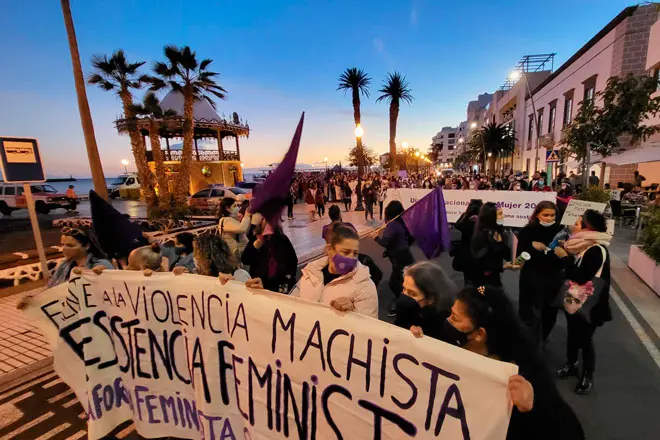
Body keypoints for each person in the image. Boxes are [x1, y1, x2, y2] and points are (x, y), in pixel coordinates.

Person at [427, 285, 585, 440]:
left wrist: (530, 409)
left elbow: (561, 428)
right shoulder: (458, 347)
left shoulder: (526, 375)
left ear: (479, 334)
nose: (447, 322)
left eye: (455, 318)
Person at [554, 210, 612, 395]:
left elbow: (581, 276)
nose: (573, 225)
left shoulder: (596, 249)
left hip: (591, 305)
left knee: (585, 339)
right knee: (573, 333)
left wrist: (564, 258)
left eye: (578, 223)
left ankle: (587, 375)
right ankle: (571, 363)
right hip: (575, 302)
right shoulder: (582, 246)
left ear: (588, 229)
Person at [287, 224, 378, 318]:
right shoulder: (310, 273)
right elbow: (288, 305)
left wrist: (352, 313)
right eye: (346, 252)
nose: (352, 258)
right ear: (329, 250)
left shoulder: (365, 285)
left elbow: (367, 328)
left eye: (355, 253)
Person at [516, 201, 563, 344]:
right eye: (545, 215)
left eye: (552, 215)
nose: (549, 218)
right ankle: (527, 340)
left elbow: (564, 258)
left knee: (549, 313)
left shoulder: (561, 232)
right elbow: (519, 258)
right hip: (531, 277)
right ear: (537, 215)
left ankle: (543, 337)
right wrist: (530, 247)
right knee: (528, 312)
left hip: (553, 279)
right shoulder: (527, 231)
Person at [394, 261, 456, 340]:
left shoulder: (446, 322)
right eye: (404, 289)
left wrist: (425, 335)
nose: (404, 296)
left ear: (431, 299)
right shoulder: (407, 309)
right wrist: (407, 327)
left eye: (413, 294)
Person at [374, 200, 415, 317]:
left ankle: (401, 304)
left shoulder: (392, 225)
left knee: (394, 283)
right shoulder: (403, 223)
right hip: (406, 255)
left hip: (399, 258)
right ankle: (404, 302)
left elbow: (385, 242)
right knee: (402, 281)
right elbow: (411, 238)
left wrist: (376, 237)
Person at [242, 218, 298, 293]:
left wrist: (288, 277)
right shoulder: (256, 239)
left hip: (280, 285)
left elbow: (292, 260)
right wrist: (254, 247)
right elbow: (245, 260)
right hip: (260, 284)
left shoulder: (282, 239)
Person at [47, 227, 114, 287]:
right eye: (62, 245)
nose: (64, 248)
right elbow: (51, 287)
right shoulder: (64, 266)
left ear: (86, 246)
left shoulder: (102, 264)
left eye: (70, 245)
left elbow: (114, 288)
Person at [469, 202, 514, 287]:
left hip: (495, 277)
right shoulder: (482, 234)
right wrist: (502, 266)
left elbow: (507, 254)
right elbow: (478, 258)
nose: (503, 216)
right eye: (500, 214)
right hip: (482, 280)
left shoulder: (499, 232)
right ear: (491, 216)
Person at [452, 199, 483, 284]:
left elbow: (457, 226)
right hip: (478, 253)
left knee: (467, 277)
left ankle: (468, 293)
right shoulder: (482, 221)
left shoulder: (464, 217)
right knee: (478, 279)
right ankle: (478, 293)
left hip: (465, 251)